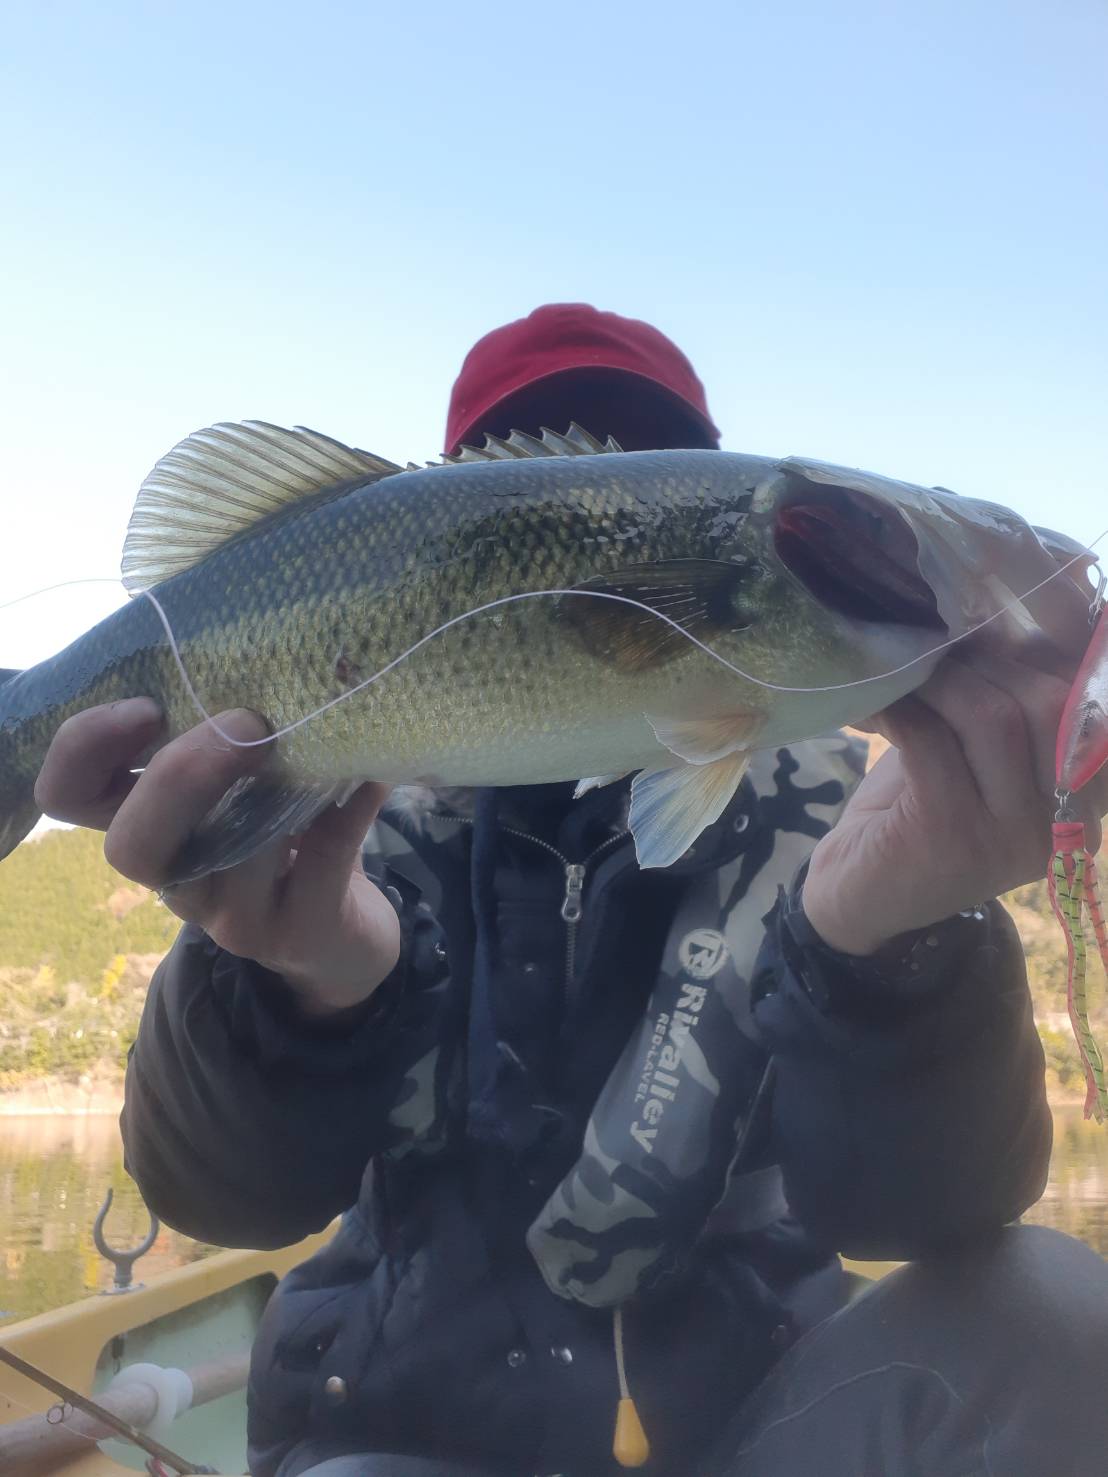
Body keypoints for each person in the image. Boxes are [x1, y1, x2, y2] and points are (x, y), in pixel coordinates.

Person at [34, 304, 1108, 1477]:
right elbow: (223, 1201)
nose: (596, 512)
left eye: (636, 471)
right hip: (398, 1428)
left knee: (1052, 1312)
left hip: (758, 1424)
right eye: (533, 469)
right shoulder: (346, 818)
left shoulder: (852, 815)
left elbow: (929, 1216)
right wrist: (287, 981)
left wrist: (897, 937)